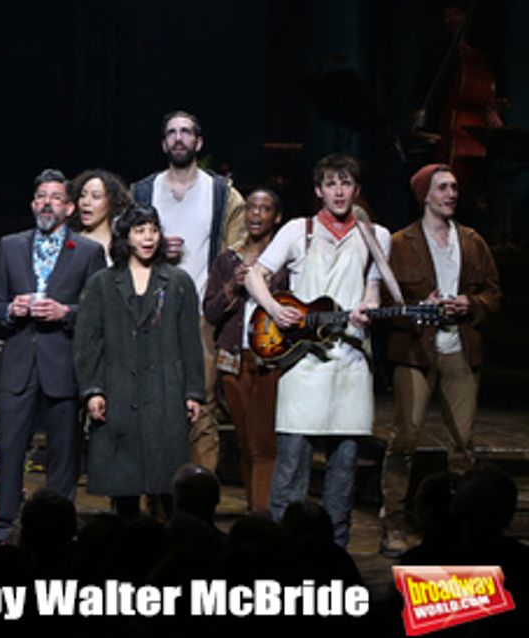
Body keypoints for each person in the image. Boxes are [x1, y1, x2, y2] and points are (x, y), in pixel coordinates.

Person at [245, 154, 390, 548]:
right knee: (291, 467)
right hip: (304, 361)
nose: (339, 191)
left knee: (343, 473)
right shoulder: (298, 230)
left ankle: (334, 555)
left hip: (351, 361)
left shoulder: (376, 234)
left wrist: (367, 312)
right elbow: (255, 274)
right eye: (331, 183)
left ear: (356, 189)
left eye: (346, 183)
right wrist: (275, 308)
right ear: (318, 190)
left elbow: (373, 291)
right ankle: (282, 553)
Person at [379, 164, 501, 556]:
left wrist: (472, 303)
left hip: (460, 349)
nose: (452, 193)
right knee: (405, 438)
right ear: (425, 195)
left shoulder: (471, 241)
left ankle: (458, 527)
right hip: (416, 351)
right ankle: (394, 524)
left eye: (454, 187)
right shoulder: (400, 243)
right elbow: (382, 303)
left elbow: (493, 292)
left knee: (462, 443)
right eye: (443, 187)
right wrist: (419, 309)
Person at [0, 169, 106, 543]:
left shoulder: (88, 251)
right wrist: (11, 309)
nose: (47, 203)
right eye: (41, 197)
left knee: (63, 453)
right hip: (20, 362)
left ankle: (58, 529)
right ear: (33, 204)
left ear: (69, 207)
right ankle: (4, 527)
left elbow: (100, 312)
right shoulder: (10, 245)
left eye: (55, 197)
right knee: (10, 449)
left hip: (63, 364)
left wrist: (64, 312)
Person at [131, 111, 246, 473]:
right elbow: (122, 245)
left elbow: (238, 248)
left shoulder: (221, 193)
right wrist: (154, 247)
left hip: (201, 315)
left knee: (202, 405)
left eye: (186, 132)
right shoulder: (143, 191)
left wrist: (221, 298)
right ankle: (156, 500)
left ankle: (199, 501)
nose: (178, 138)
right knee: (151, 403)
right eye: (171, 133)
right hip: (152, 312)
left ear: (199, 142)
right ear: (164, 143)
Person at [75, 204, 204, 520]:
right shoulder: (102, 283)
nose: (148, 238)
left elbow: (191, 341)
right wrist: (93, 390)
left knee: (170, 483)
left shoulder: (177, 281)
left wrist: (193, 392)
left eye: (153, 230)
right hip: (119, 392)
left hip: (165, 392)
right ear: (126, 236)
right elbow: (88, 343)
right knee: (125, 487)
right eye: (139, 230)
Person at [202, 188, 285, 512]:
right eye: (251, 208)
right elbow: (210, 312)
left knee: (264, 443)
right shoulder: (228, 259)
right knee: (244, 441)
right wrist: (231, 287)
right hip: (234, 360)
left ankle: (263, 515)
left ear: (276, 217)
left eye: (264, 209)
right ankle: (255, 509)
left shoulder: (284, 258)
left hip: (269, 359)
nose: (254, 215)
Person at [68, 169, 132, 266]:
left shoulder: (124, 245)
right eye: (83, 195)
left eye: (96, 196)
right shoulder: (70, 242)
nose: (86, 202)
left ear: (111, 201)